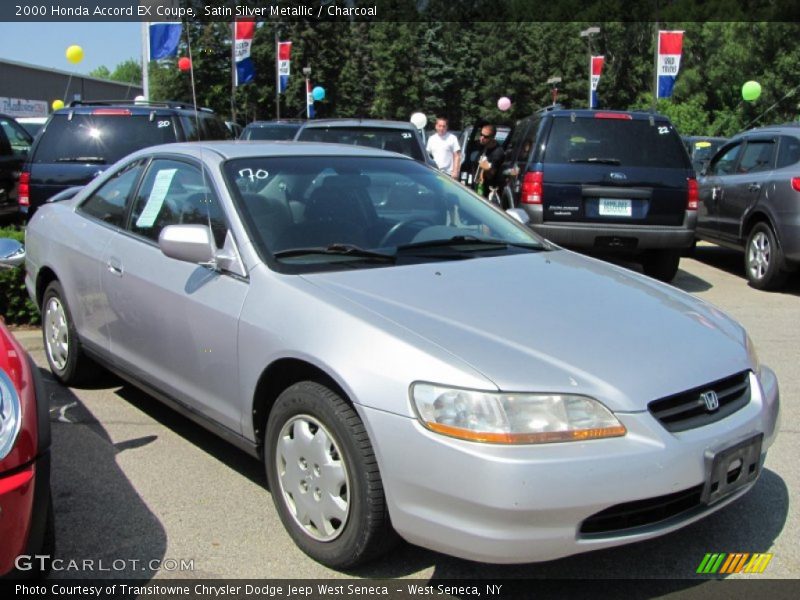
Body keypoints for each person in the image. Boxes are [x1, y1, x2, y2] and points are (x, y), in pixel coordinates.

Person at [474, 124, 505, 202]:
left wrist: (487, 168)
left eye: (485, 137)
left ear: (492, 137)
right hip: (479, 187)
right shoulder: (483, 146)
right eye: (481, 134)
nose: (482, 138)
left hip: (489, 192)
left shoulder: (497, 153)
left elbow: (491, 175)